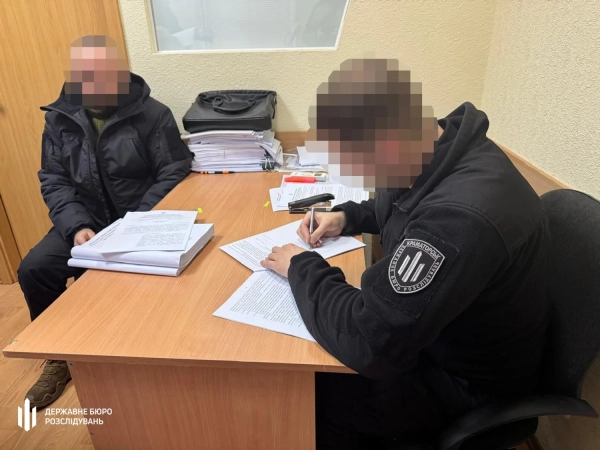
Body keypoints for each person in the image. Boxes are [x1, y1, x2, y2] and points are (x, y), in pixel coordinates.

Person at [260, 59, 550, 448]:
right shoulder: (437, 152)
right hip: (438, 340)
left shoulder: (460, 218)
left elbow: (371, 342)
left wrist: (301, 267)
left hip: (465, 386)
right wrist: (346, 216)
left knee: (300, 402)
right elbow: (400, 206)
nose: (362, 175)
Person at [17, 35, 192, 409]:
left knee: (148, 280)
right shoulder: (58, 118)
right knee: (34, 269)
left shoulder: (154, 114)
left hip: (140, 218)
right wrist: (77, 226)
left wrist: (135, 224)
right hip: (85, 220)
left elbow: (174, 171)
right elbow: (54, 178)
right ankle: (59, 355)